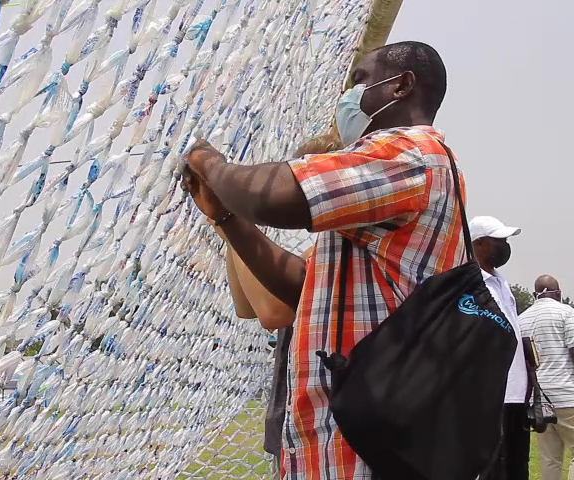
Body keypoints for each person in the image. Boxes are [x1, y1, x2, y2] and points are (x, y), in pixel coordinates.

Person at [183, 40, 464, 479]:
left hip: (367, 444)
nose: (349, 96)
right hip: (336, 440)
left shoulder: (413, 154)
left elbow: (272, 197)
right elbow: (300, 284)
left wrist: (209, 162)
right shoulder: (401, 181)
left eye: (360, 80)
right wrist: (224, 216)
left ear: (401, 86)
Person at [213, 135, 341, 476]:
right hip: (295, 426)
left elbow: (273, 313)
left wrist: (230, 218)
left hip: (325, 432)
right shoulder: (315, 254)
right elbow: (247, 305)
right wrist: (233, 225)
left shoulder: (335, 258)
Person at [468, 215, 529, 480]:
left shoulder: (502, 282)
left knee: (518, 466)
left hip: (517, 394)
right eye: (499, 240)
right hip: (493, 395)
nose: (505, 246)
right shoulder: (470, 283)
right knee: (495, 470)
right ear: (479, 243)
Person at [519, 275, 574, 480]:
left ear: (535, 295)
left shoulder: (521, 318)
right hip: (567, 394)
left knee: (550, 459)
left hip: (539, 400)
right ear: (559, 294)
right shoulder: (566, 313)